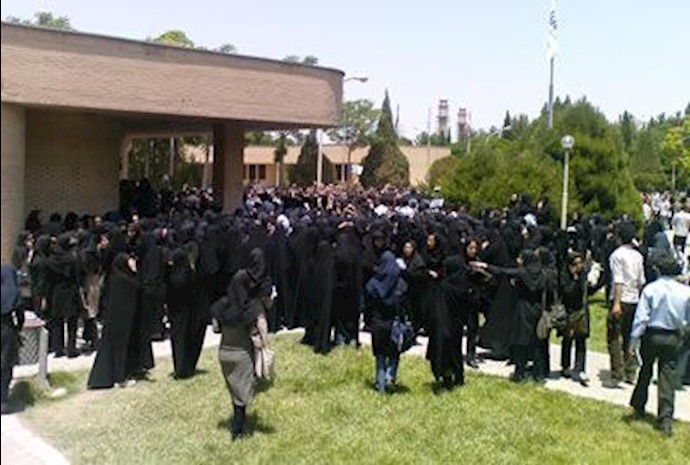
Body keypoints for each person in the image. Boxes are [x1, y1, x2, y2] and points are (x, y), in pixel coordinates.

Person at [629, 253, 690, 437]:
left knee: (645, 370)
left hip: (652, 333)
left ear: (659, 270)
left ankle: (639, 404)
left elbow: (641, 318)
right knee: (667, 377)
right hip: (673, 335)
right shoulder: (685, 292)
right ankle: (665, 419)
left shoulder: (651, 289)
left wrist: (633, 340)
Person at [211, 248, 269, 440]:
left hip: (224, 354)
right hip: (241, 354)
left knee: (235, 390)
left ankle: (238, 425)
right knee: (242, 394)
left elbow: (216, 328)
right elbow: (258, 336)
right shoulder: (250, 309)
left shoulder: (221, 306)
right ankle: (238, 429)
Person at [87, 253, 140, 389]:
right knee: (119, 349)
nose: (133, 263)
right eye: (130, 261)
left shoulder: (116, 278)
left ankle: (115, 376)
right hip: (120, 321)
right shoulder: (123, 280)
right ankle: (119, 377)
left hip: (115, 320)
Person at [607, 222, 645, 387]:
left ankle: (617, 372)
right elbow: (641, 281)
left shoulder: (617, 255)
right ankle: (630, 371)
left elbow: (618, 281)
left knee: (614, 337)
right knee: (630, 336)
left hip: (620, 298)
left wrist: (616, 303)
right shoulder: (638, 256)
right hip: (634, 299)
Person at [365, 251, 408, 393]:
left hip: (378, 323)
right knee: (394, 353)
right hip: (394, 323)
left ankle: (380, 383)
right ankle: (391, 377)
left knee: (380, 355)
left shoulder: (373, 285)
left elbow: (367, 305)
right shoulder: (400, 284)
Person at [559, 253, 591, 386]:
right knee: (567, 339)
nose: (578, 266)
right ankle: (565, 365)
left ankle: (580, 368)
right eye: (575, 264)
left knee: (581, 340)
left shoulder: (583, 276)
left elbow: (589, 291)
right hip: (569, 312)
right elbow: (568, 292)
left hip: (581, 311)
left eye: (580, 263)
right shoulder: (565, 277)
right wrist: (575, 279)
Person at [1, 265, 25, 414]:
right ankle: (2, 400)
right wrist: (18, 328)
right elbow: (20, 314)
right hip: (6, 328)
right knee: (5, 365)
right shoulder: (12, 291)